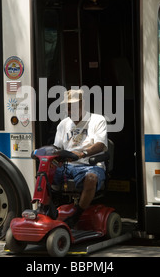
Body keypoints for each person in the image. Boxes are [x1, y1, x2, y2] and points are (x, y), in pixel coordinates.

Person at [53, 89, 108, 227]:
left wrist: (82, 154)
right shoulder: (63, 124)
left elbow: (100, 145)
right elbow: (56, 148)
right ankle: (48, 213)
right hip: (67, 165)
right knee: (42, 175)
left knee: (91, 178)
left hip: (90, 165)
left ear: (83, 104)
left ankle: (75, 216)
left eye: (73, 106)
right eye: (68, 107)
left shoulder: (97, 120)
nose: (70, 110)